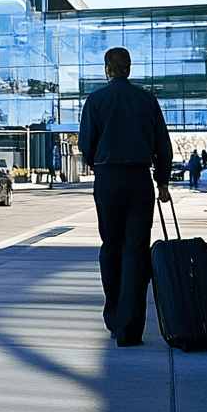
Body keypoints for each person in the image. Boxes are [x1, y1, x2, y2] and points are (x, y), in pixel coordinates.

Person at [78, 47, 172, 347]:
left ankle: (114, 318)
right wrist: (163, 183)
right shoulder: (146, 99)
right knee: (136, 250)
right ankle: (131, 329)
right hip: (139, 179)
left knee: (110, 247)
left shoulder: (95, 100)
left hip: (108, 178)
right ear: (128, 68)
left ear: (107, 69)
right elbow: (163, 146)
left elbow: (85, 145)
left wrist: (99, 163)